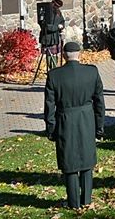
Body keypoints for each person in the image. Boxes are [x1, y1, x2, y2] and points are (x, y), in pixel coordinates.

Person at [43, 42, 105, 208]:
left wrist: (51, 128)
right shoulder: (91, 72)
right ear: (80, 53)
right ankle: (86, 199)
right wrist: (99, 127)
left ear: (64, 55)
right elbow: (100, 102)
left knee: (69, 161)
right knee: (86, 159)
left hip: (65, 120)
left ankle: (73, 201)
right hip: (86, 119)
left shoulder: (54, 75)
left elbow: (49, 105)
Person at [40, 0, 66, 69]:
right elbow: (45, 26)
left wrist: (62, 26)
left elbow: (62, 21)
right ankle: (51, 69)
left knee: (55, 54)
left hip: (56, 37)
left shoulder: (58, 12)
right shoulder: (46, 13)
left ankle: (55, 68)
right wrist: (57, 27)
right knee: (49, 54)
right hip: (47, 37)